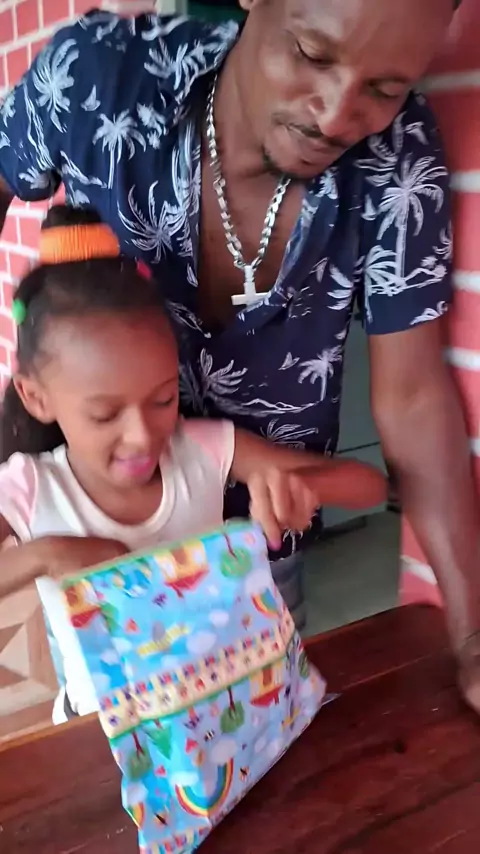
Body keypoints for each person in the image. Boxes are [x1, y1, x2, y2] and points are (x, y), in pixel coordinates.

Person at [0, 1, 479, 711]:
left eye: (384, 88)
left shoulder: (397, 158)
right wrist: (45, 553)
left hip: (254, 571)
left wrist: (471, 636)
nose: (335, 115)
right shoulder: (99, 82)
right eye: (312, 53)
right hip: (98, 596)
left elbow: (409, 404)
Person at [0, 204, 386, 722]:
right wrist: (48, 554)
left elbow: (371, 487)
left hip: (225, 719)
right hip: (105, 737)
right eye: (105, 414)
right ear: (36, 397)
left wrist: (299, 486)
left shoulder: (200, 449)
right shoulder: (31, 490)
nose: (143, 436)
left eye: (163, 400)